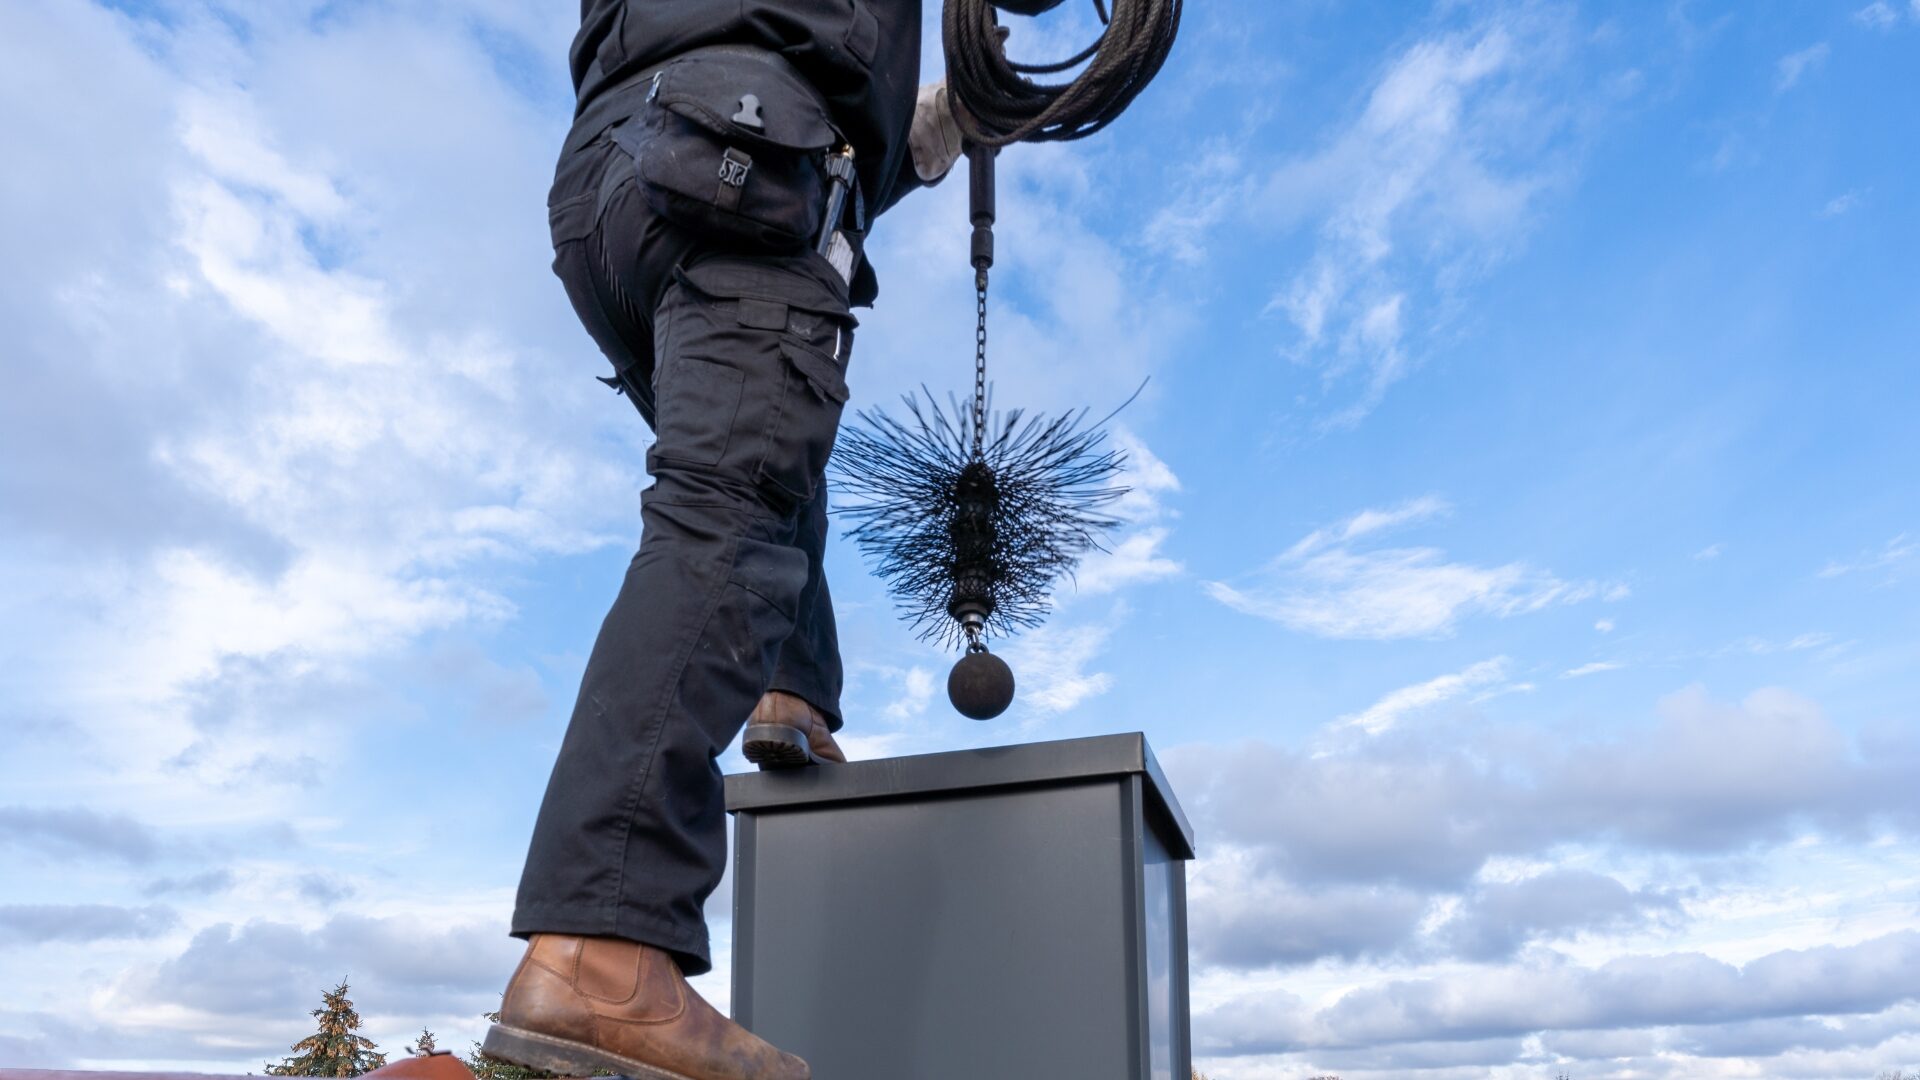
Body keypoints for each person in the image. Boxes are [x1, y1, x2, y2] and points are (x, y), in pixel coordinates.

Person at [483, 3, 965, 1078]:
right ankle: (600, 950)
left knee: (762, 453)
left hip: (617, 180)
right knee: (729, 509)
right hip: (743, 150)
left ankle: (792, 688)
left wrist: (930, 126)